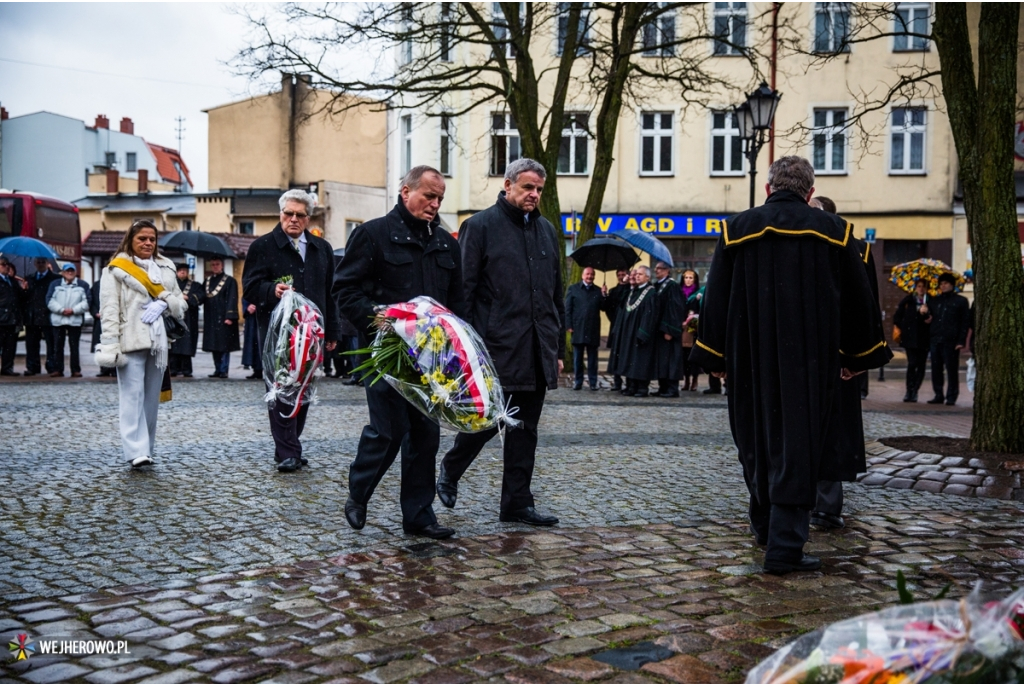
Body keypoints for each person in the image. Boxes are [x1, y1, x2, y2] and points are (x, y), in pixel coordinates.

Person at [690, 156, 890, 575]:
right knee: (799, 444)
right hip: (812, 359)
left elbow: (716, 299)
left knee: (755, 438)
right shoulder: (837, 233)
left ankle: (765, 528)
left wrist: (715, 358)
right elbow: (859, 302)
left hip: (749, 356)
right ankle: (783, 546)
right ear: (810, 192)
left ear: (767, 188)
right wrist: (857, 358)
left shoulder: (736, 229)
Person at [334, 165, 463, 539]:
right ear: (405, 192)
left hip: (431, 358)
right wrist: (376, 320)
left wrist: (457, 347)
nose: (435, 204)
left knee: (425, 435)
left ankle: (419, 516)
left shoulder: (445, 244)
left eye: (439, 199)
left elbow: (457, 303)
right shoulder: (373, 235)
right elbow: (345, 290)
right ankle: (359, 493)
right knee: (389, 431)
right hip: (386, 354)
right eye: (428, 196)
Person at [436, 158, 564, 527]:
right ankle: (451, 466)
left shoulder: (547, 231)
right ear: (507, 185)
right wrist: (467, 345)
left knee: (525, 430)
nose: (534, 195)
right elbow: (465, 291)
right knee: (488, 420)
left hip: (537, 346)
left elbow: (556, 292)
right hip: (495, 346)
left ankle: (517, 504)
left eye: (539, 189)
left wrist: (557, 349)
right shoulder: (479, 226)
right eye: (527, 187)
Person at [243, 189, 342, 473]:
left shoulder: (321, 248)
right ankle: (288, 450)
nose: (294, 219)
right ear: (280, 214)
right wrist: (271, 290)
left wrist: (332, 331)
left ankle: (289, 445)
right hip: (278, 336)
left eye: (300, 215)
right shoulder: (262, 246)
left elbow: (330, 292)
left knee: (305, 389)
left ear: (308, 217)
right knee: (281, 389)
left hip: (313, 335)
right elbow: (249, 286)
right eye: (289, 214)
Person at [809, 197, 885, 531]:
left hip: (836, 355)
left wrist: (857, 356)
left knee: (832, 430)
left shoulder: (856, 250)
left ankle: (827, 505)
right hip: (798, 353)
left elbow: (864, 307)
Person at [94, 220, 187, 468]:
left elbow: (181, 302)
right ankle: (135, 451)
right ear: (130, 240)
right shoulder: (115, 269)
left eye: (152, 239)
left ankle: (147, 448)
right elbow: (110, 310)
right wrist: (110, 345)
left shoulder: (166, 267)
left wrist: (165, 303)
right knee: (132, 397)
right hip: (130, 339)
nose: (148, 243)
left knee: (150, 400)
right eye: (142, 239)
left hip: (159, 343)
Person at [607, 266, 658, 397]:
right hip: (628, 333)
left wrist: (643, 332)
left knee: (640, 361)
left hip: (640, 333)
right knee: (630, 360)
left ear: (647, 277)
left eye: (640, 274)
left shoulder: (650, 293)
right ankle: (631, 386)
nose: (637, 276)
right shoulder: (633, 291)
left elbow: (649, 315)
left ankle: (641, 388)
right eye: (636, 274)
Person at [926, 272, 970, 405]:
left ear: (952, 285)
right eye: (941, 284)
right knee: (936, 369)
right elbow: (929, 319)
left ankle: (951, 395)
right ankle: (938, 394)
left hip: (951, 340)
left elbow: (964, 322)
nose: (942, 286)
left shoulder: (960, 301)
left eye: (945, 283)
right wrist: (924, 314)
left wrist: (961, 341)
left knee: (951, 369)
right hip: (935, 339)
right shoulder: (934, 301)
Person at [564, 266, 605, 391]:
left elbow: (603, 307)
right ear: (583, 275)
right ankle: (578, 381)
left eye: (592, 274)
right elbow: (568, 309)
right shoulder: (573, 289)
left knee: (593, 359)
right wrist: (569, 325)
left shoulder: (598, 291)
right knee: (578, 359)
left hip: (593, 329)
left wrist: (604, 295)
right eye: (587, 274)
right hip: (578, 328)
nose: (589, 276)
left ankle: (593, 382)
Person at [46, 263, 90, 378]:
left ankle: (75, 370)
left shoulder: (83, 285)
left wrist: (74, 310)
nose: (69, 273)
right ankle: (57, 369)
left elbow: (87, 302)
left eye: (72, 271)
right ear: (63, 273)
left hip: (75, 320)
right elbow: (49, 300)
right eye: (67, 271)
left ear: (75, 272)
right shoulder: (54, 284)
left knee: (74, 347)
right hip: (58, 320)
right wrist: (61, 310)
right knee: (57, 346)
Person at [893, 279, 932, 402]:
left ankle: (915, 390)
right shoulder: (908, 300)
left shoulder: (930, 301)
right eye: (919, 286)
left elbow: (932, 319)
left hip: (924, 339)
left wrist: (926, 315)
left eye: (923, 287)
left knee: (921, 365)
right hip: (910, 339)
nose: (921, 289)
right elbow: (897, 317)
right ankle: (908, 390)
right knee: (912, 364)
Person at [202, 257, 240, 378]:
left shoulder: (229, 281)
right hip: (211, 317)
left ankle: (224, 370)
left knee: (224, 345)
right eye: (213, 264)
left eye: (217, 264)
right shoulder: (207, 281)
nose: (215, 266)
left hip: (223, 317)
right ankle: (217, 369)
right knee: (214, 345)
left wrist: (230, 316)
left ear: (222, 265)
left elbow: (232, 299)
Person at [652, 261, 685, 397]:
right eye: (656, 269)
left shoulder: (672, 287)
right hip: (658, 330)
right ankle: (662, 387)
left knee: (671, 360)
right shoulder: (656, 286)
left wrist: (669, 330)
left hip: (668, 330)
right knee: (662, 361)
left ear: (667, 271)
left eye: (659, 269)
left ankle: (672, 388)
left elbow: (675, 310)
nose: (657, 271)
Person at [23, 257, 60, 377]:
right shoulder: (29, 278)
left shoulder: (55, 278)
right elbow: (25, 298)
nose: (40, 264)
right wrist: (24, 290)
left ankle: (51, 366)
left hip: (48, 316)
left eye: (43, 262)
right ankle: (32, 367)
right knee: (31, 344)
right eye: (38, 262)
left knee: (51, 344)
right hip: (32, 316)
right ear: (34, 264)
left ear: (47, 263)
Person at [169, 263, 203, 378]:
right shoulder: (171, 285)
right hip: (174, 318)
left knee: (186, 345)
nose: (182, 272)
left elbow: (201, 297)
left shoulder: (195, 285)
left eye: (184, 270)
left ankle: (186, 369)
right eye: (180, 270)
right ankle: (173, 368)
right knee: (173, 343)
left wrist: (188, 298)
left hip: (189, 319)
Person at [601, 269, 631, 392]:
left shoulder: (631, 289)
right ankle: (617, 382)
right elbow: (606, 308)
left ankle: (629, 383)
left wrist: (625, 285)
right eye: (619, 275)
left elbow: (623, 300)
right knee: (615, 356)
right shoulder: (613, 290)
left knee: (628, 355)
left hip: (628, 328)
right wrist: (604, 295)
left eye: (623, 275)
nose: (621, 277)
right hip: (616, 326)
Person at [0, 256, 25, 376]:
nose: (6, 267)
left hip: (12, 318)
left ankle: (7, 368)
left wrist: (24, 290)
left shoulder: (12, 281)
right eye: (3, 264)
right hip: (1, 318)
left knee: (10, 346)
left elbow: (19, 298)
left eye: (7, 264)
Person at [90, 274, 115, 377]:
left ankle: (114, 369)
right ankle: (104, 369)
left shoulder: (116, 284)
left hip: (114, 319)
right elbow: (91, 301)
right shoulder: (96, 285)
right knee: (101, 345)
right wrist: (95, 313)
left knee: (113, 345)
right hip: (100, 320)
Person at [680, 269, 701, 392]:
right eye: (686, 277)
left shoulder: (698, 293)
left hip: (694, 329)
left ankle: (695, 380)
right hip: (682, 327)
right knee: (684, 356)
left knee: (694, 356)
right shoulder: (680, 292)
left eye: (690, 278)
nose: (688, 280)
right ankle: (686, 380)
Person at [241, 298, 263, 380]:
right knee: (253, 342)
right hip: (252, 317)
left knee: (261, 342)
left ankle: (261, 368)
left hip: (263, 313)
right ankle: (257, 369)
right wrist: (247, 307)